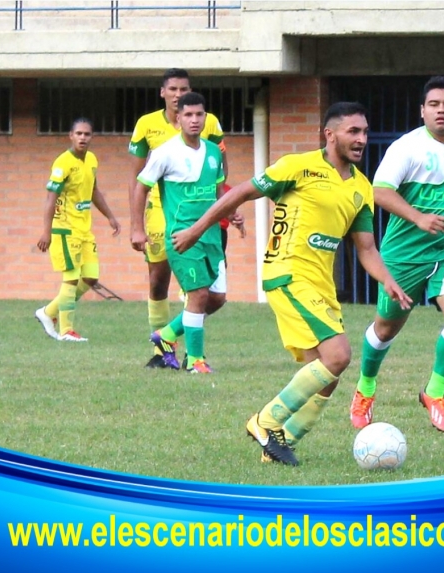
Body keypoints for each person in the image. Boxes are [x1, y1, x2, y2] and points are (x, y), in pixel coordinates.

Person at [171, 102, 411, 465]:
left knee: (326, 374)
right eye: (353, 132)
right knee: (339, 355)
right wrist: (196, 229)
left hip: (320, 284)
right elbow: (239, 194)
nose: (362, 139)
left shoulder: (362, 188)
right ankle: (265, 423)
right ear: (330, 135)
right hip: (288, 272)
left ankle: (281, 446)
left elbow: (366, 248)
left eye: (364, 132)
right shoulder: (298, 166)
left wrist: (388, 281)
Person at [349, 76, 444, 433]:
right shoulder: (407, 148)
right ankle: (365, 388)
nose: (441, 111)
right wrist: (418, 217)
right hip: (404, 252)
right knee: (386, 328)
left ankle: (435, 392)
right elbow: (380, 191)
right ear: (422, 111)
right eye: (433, 105)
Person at [130, 92, 244, 374]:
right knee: (198, 295)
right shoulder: (165, 152)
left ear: (205, 118)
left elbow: (218, 190)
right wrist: (137, 229)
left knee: (217, 299)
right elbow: (140, 187)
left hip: (212, 236)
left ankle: (166, 334)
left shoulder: (214, 152)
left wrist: (231, 212)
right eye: (188, 115)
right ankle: (195, 361)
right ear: (178, 118)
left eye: (199, 115)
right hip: (182, 237)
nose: (194, 120)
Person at [35, 118, 121, 342]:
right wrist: (47, 232)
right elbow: (50, 199)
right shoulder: (63, 163)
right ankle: (66, 331)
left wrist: (110, 216)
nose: (83, 138)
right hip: (64, 230)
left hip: (84, 230)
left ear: (92, 137)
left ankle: (48, 313)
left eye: (87, 134)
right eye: (79, 134)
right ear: (70, 136)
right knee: (71, 279)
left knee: (91, 277)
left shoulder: (91, 160)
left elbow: (94, 191)